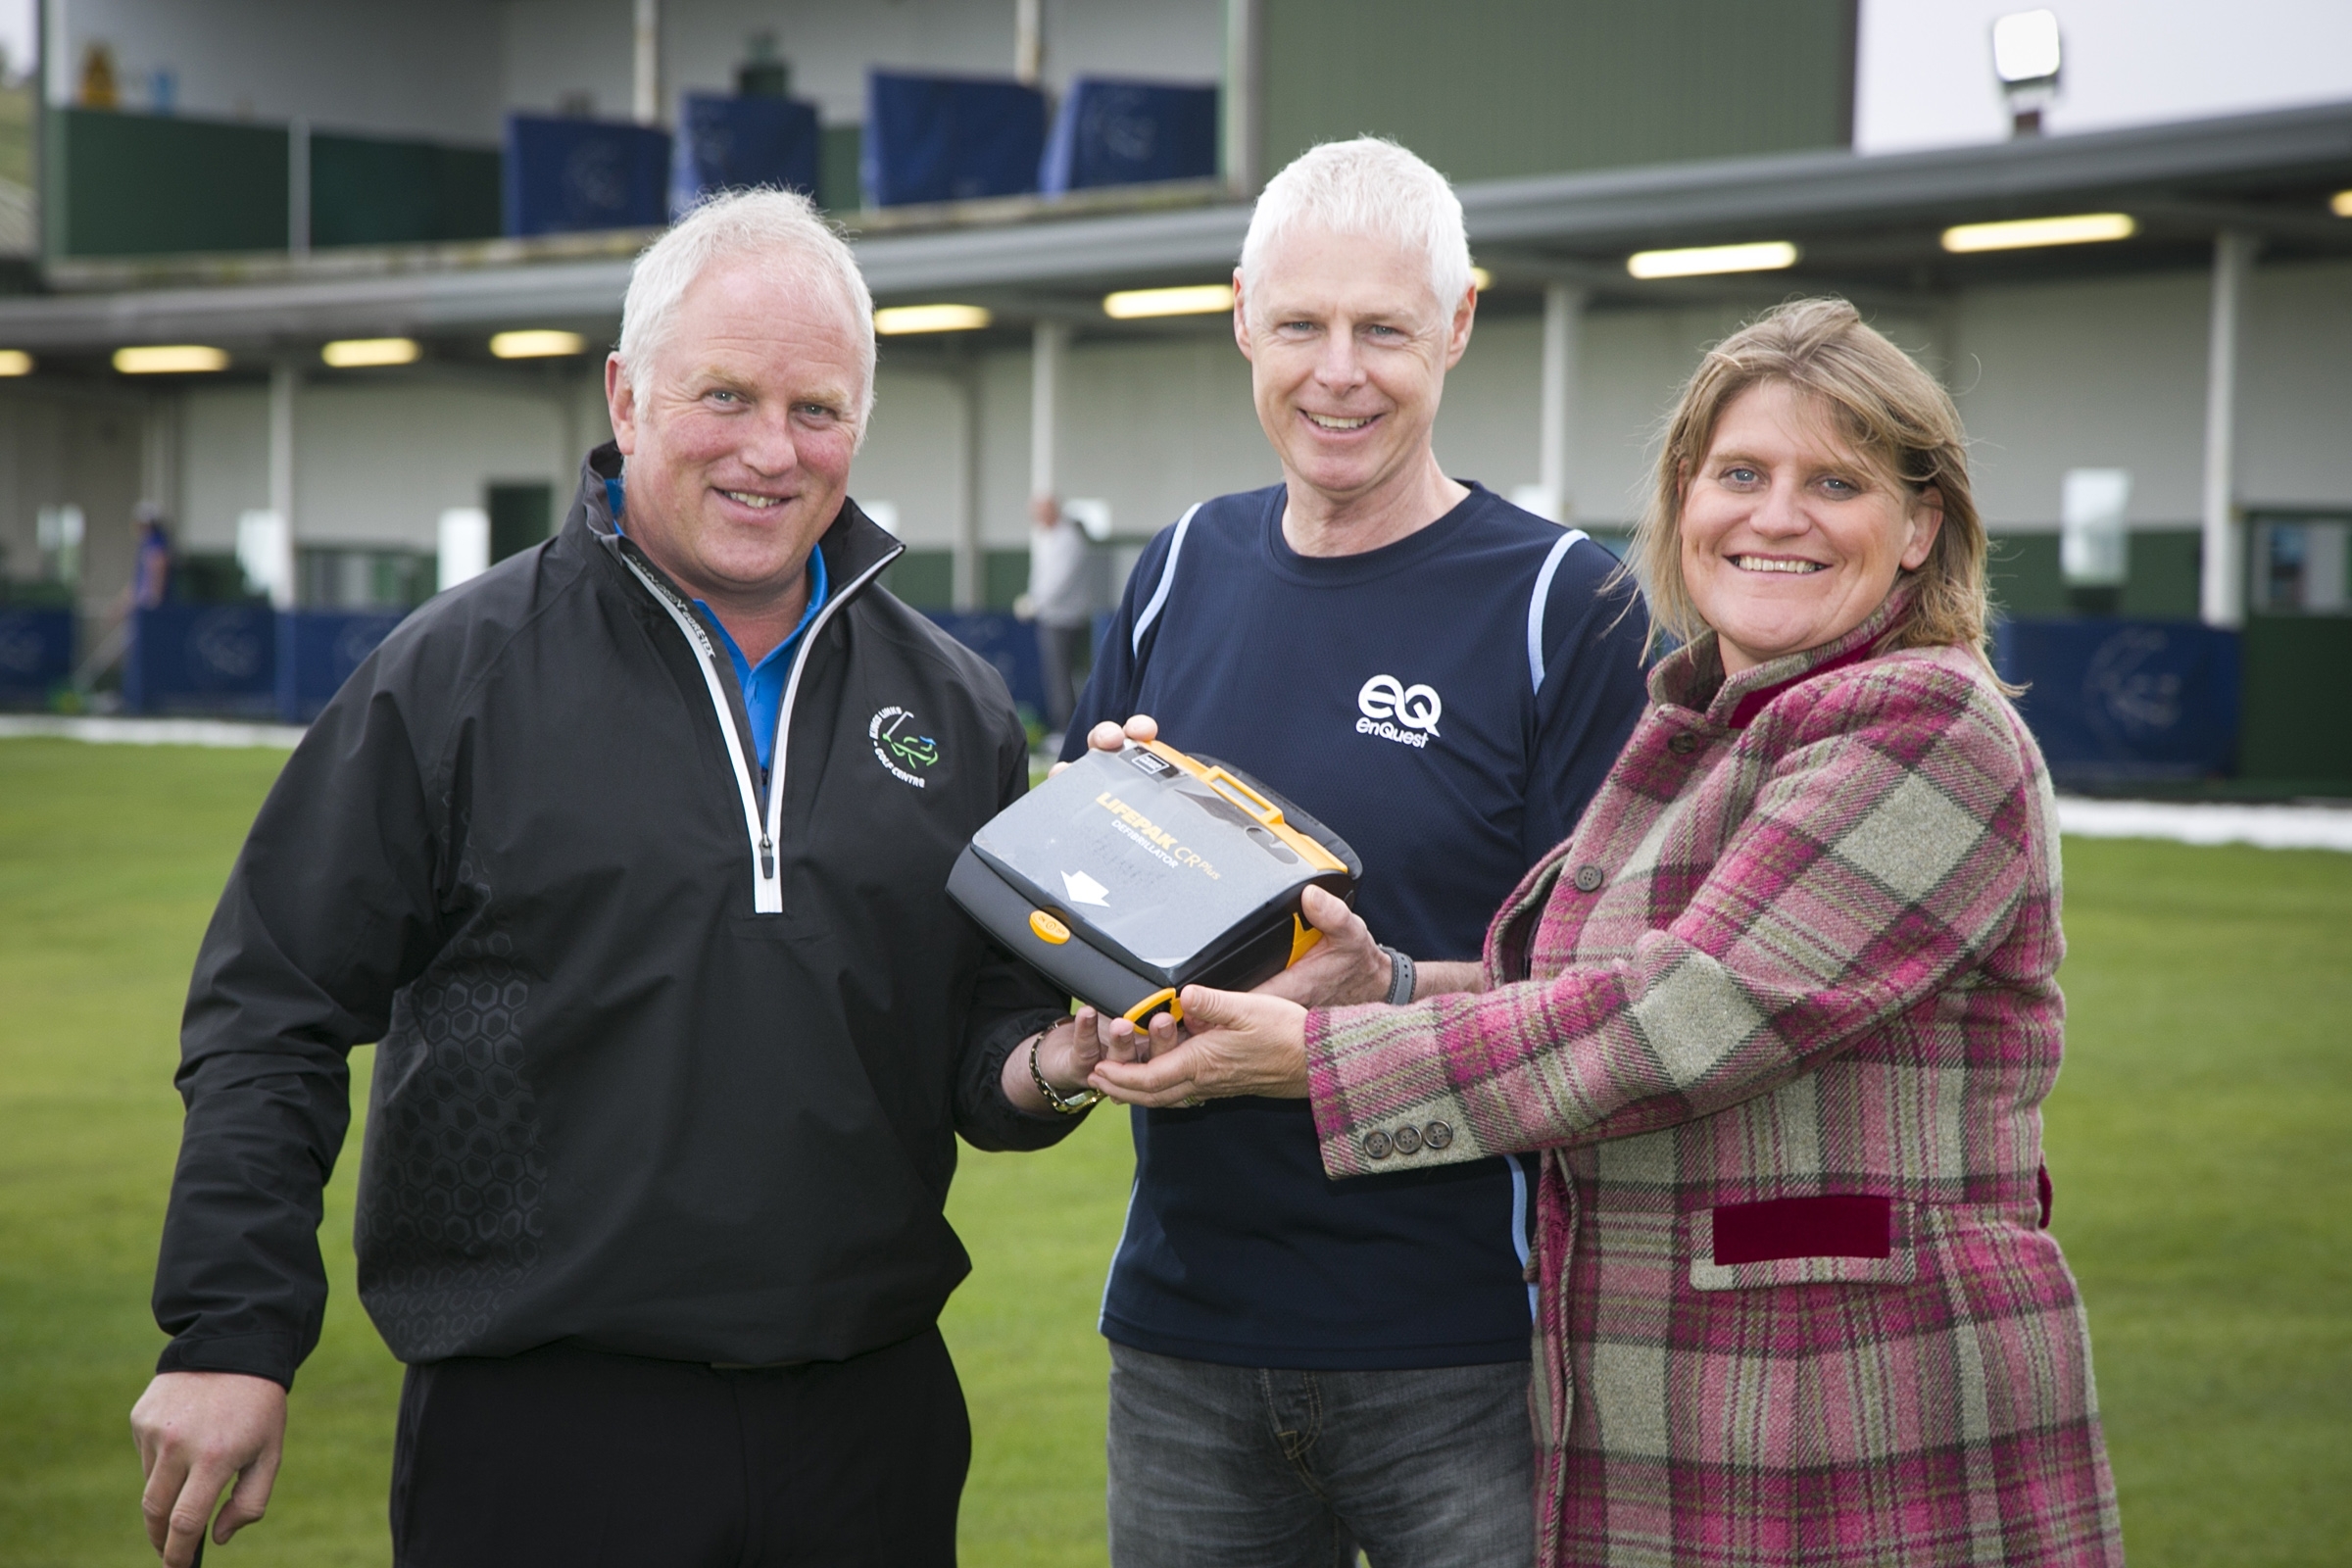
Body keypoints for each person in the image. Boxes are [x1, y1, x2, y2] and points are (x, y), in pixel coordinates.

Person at [128, 189, 1111, 1568]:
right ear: (627, 395)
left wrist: (1054, 1064)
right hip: (544, 1434)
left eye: (817, 409)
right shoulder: (455, 676)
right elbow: (268, 1004)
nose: (773, 451)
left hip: (870, 1425)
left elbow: (977, 1048)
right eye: (725, 395)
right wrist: (230, 1334)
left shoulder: (952, 701)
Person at [1093, 298, 2127, 1567]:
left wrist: (1318, 1063)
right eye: (1737, 472)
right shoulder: (1719, 720)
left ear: (1920, 526)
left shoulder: (1929, 728)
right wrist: (1384, 983)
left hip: (1857, 1416)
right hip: (1675, 1411)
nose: (1775, 514)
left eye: (1836, 482)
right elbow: (1588, 988)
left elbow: (1682, 1017)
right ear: (1684, 501)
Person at [1061, 138, 1650, 1567]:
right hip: (1184, 1336)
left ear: (1454, 328)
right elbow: (1091, 909)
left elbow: (1607, 1006)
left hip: (1460, 1352)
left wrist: (1375, 1000)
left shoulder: (1567, 606)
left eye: (1384, 328)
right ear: (1242, 318)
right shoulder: (1181, 566)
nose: (1339, 371)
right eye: (1302, 324)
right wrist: (1091, 898)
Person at [1025, 493, 1099, 738]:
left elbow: (1059, 580)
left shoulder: (1068, 540)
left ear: (1052, 510)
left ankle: (1067, 730)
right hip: (1052, 617)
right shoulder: (1045, 537)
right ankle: (1065, 728)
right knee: (1058, 677)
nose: (1037, 517)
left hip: (1066, 620)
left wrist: (1034, 603)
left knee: (1063, 678)